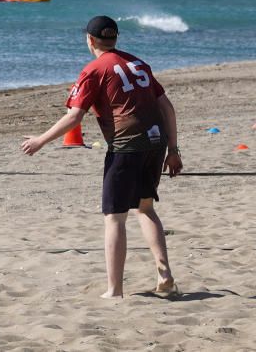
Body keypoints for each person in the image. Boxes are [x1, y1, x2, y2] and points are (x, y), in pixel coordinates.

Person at [21, 16, 183, 299]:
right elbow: (167, 107)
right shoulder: (139, 64)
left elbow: (74, 116)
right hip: (156, 144)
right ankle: (165, 275)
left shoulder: (94, 69)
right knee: (145, 208)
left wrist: (40, 141)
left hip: (126, 147)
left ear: (90, 40)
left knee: (114, 218)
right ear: (115, 39)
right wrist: (173, 150)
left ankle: (114, 290)